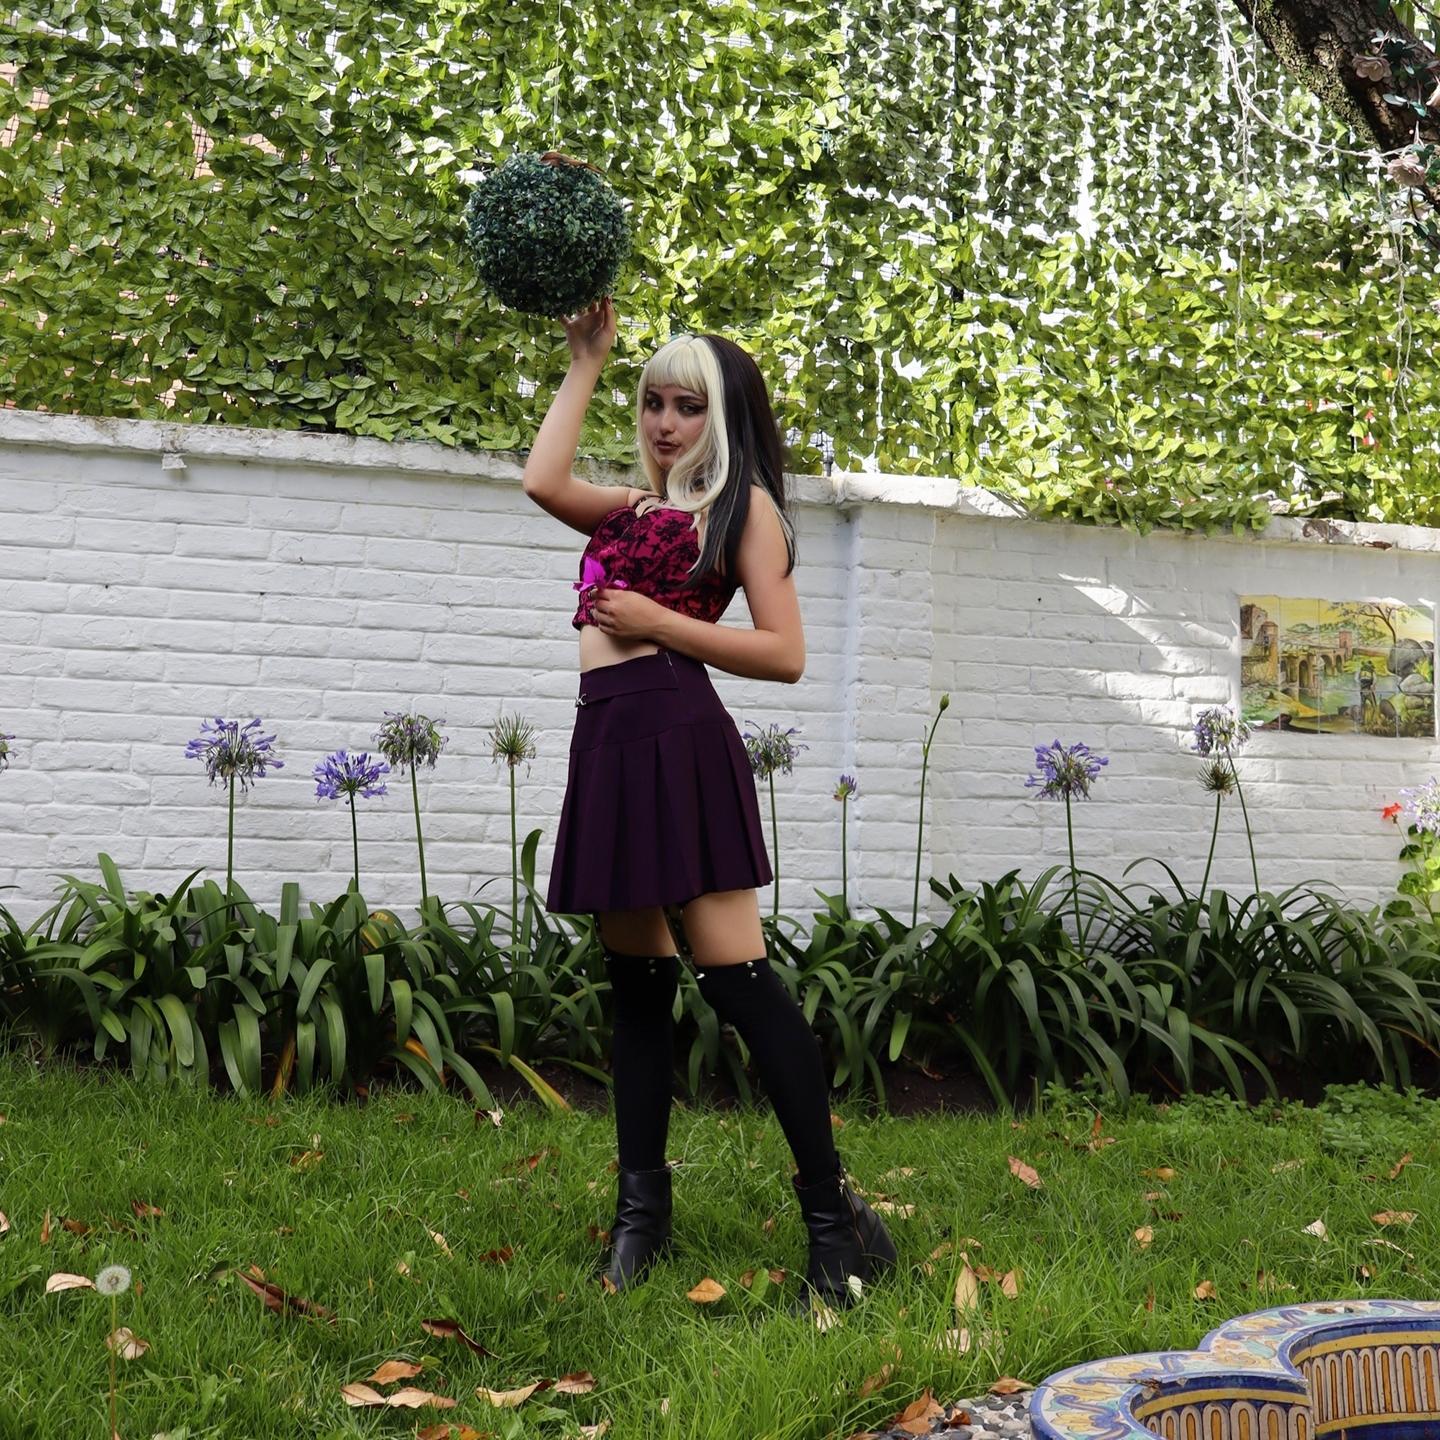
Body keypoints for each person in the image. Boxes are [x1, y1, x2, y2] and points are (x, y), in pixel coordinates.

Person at [521, 295, 896, 1307]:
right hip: (608, 739)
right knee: (637, 987)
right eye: (653, 403)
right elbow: (541, 480)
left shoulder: (744, 511)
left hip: (680, 738)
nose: (664, 423)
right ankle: (641, 1216)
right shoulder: (631, 510)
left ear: (723, 418)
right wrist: (586, 361)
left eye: (687, 406)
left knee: (739, 983)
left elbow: (785, 653)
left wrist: (656, 619)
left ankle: (836, 1223)